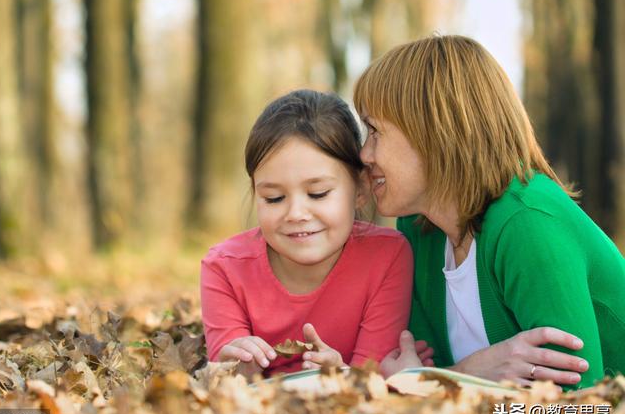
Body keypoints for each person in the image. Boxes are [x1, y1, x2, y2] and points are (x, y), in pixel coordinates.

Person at [353, 35, 625, 389]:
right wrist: (464, 375)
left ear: (434, 130)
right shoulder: (419, 230)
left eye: (374, 131)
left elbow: (583, 412)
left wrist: (446, 382)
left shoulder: (527, 224)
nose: (364, 154)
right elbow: (421, 389)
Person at [201, 89, 433, 378]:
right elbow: (226, 372)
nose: (296, 213)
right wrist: (236, 370)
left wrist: (343, 375)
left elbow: (371, 377)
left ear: (360, 189)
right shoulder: (223, 267)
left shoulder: (388, 255)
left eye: (318, 193)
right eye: (274, 198)